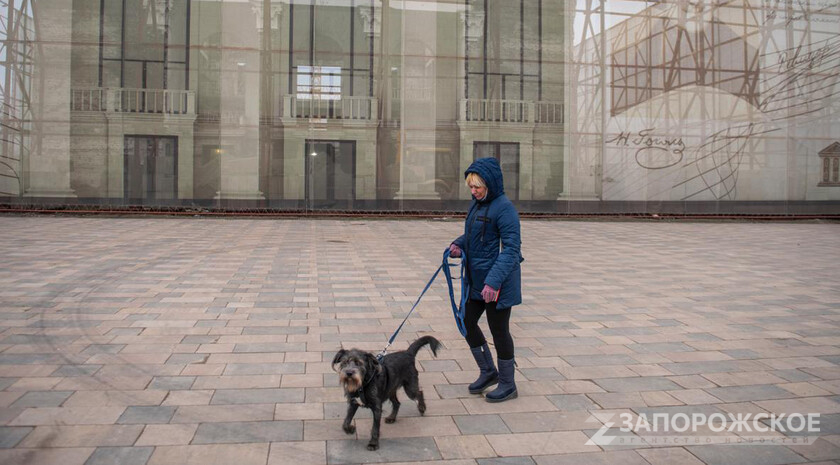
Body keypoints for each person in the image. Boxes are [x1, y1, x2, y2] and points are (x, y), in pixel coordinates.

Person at [449, 157, 522, 402]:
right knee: (466, 321)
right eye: (470, 186)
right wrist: (458, 245)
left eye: (476, 186)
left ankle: (508, 384)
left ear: (489, 183)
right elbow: (474, 234)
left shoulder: (505, 208)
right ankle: (488, 371)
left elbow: (511, 249)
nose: (473, 191)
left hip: (498, 283)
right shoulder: (477, 205)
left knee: (499, 330)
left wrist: (493, 282)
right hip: (478, 280)